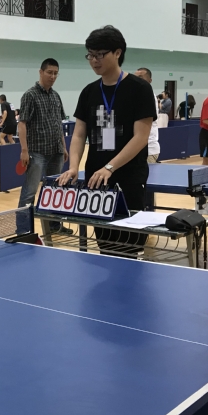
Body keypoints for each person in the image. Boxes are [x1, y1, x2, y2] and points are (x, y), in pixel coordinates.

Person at [59, 26, 156, 252]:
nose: (94, 60)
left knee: (130, 247)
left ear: (118, 53)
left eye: (100, 55)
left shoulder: (139, 89)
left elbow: (141, 137)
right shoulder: (88, 92)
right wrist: (73, 167)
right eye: (90, 55)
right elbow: (79, 134)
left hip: (129, 178)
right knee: (105, 246)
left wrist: (110, 167)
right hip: (97, 181)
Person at [17, 59, 68, 216]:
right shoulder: (30, 95)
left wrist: (64, 147)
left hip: (56, 151)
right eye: (49, 72)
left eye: (55, 73)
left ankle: (54, 225)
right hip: (37, 152)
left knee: (55, 191)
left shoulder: (56, 96)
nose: (53, 76)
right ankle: (23, 227)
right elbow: (22, 124)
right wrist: (24, 150)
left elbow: (58, 124)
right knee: (30, 192)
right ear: (41, 72)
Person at [135, 68, 160, 164]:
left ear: (150, 80)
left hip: (149, 149)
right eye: (135, 77)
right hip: (136, 149)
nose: (137, 79)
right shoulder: (137, 95)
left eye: (140, 77)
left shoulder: (148, 96)